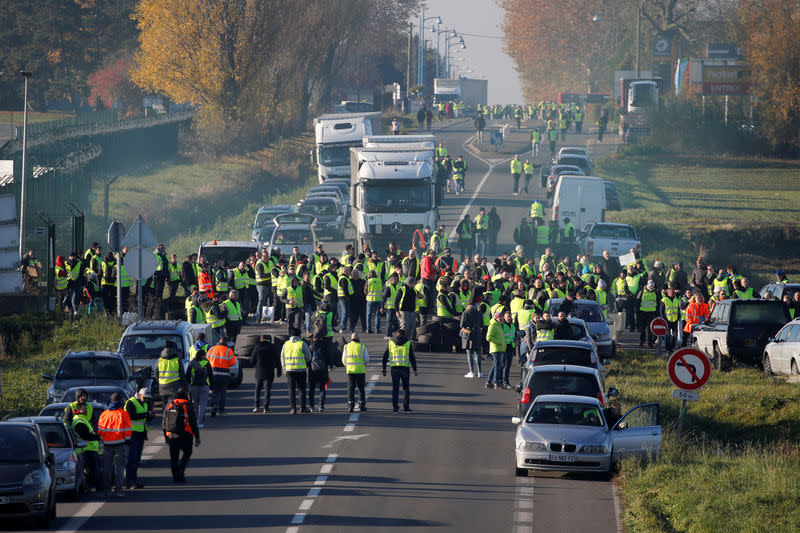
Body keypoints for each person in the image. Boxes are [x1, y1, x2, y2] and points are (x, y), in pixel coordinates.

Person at [97, 392, 132, 498]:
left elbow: (100, 430)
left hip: (107, 445)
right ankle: (118, 490)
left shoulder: (104, 414)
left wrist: (105, 439)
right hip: (120, 444)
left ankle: (107, 490)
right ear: (120, 401)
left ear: (111, 401)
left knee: (107, 468)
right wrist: (127, 440)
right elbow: (128, 430)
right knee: (119, 469)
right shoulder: (123, 413)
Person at [65, 388, 101, 492]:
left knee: (92, 467)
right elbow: (67, 422)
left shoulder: (89, 406)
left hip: (89, 443)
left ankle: (89, 485)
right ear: (77, 397)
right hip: (81, 444)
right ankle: (90, 486)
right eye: (81, 395)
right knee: (90, 468)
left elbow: (94, 421)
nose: (83, 397)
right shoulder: (71, 407)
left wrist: (92, 428)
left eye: (85, 395)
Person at [162, 388, 200, 483]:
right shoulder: (188, 405)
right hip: (186, 435)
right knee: (187, 453)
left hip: (172, 435)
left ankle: (175, 476)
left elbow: (163, 423)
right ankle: (181, 470)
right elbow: (193, 422)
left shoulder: (169, 405)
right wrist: (197, 437)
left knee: (174, 457)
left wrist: (166, 437)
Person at [382, 329, 418, 413]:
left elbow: (385, 356)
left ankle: (395, 408)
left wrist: (383, 368)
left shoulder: (390, 343)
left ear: (396, 335)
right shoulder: (408, 343)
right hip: (405, 369)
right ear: (404, 335)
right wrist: (415, 369)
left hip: (394, 369)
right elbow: (412, 357)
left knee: (395, 389)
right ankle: (406, 407)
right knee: (406, 388)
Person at [124, 388, 153, 490]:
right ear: (140, 395)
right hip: (131, 435)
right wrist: (146, 414)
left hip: (140, 435)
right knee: (131, 460)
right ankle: (130, 481)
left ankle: (134, 480)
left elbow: (143, 419)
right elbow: (131, 416)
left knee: (136, 460)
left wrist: (150, 416)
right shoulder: (130, 402)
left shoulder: (144, 404)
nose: (146, 400)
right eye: (145, 398)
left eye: (148, 398)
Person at [281, 327, 311, 414]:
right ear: (299, 335)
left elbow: (282, 358)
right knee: (302, 389)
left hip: (289, 370)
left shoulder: (285, 344)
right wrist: (305, 362)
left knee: (291, 389)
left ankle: (293, 408)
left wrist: (284, 370)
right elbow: (308, 357)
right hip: (301, 370)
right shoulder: (302, 344)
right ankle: (303, 407)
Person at [208, 336, 237, 417]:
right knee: (222, 393)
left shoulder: (212, 349)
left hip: (213, 374)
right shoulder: (228, 350)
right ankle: (221, 411)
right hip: (224, 375)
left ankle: (213, 406)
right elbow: (233, 363)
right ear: (226, 343)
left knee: (214, 392)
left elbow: (207, 360)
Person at [252, 335, 281, 412]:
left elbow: (252, 360)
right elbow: (277, 359)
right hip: (269, 372)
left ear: (261, 339)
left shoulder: (257, 347)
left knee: (257, 389)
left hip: (259, 372)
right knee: (267, 390)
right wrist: (279, 370)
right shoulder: (272, 347)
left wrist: (256, 364)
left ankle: (256, 407)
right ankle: (266, 407)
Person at [342, 332, 369, 413]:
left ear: (351, 338)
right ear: (358, 338)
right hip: (360, 370)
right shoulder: (362, 346)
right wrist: (362, 364)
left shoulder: (346, 346)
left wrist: (348, 366)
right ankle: (362, 405)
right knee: (361, 389)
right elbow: (366, 359)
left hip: (350, 371)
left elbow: (343, 360)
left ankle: (351, 405)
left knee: (351, 389)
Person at [155, 341, 187, 405]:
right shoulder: (177, 360)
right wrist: (184, 385)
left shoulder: (159, 360)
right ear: (174, 349)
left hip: (162, 386)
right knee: (175, 404)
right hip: (175, 386)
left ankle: (164, 414)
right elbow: (182, 374)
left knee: (164, 403)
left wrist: (158, 381)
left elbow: (156, 373)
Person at [187, 345, 211, 427]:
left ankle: (195, 421)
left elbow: (187, 375)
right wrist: (211, 387)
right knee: (203, 405)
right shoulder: (206, 363)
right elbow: (211, 375)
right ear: (203, 355)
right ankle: (200, 423)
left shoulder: (191, 363)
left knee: (195, 405)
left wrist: (188, 386)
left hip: (194, 386)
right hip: (204, 386)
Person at [308, 335, 332, 412]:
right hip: (323, 370)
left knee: (312, 389)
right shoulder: (325, 346)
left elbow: (308, 358)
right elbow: (329, 358)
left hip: (312, 370)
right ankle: (321, 406)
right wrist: (331, 365)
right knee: (322, 388)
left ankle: (311, 406)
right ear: (320, 338)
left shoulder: (310, 347)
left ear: (313, 339)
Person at [460, 301, 484, 378]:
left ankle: (472, 372)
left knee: (469, 352)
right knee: (477, 353)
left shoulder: (465, 313)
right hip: (477, 333)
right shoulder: (479, 313)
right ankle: (480, 372)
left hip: (468, 334)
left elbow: (461, 325)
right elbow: (482, 324)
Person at [485, 312, 507, 389]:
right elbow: (488, 337)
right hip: (496, 348)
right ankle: (496, 383)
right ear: (496, 317)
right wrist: (499, 342)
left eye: (502, 317)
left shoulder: (499, 325)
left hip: (500, 348)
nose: (501, 318)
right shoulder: (493, 325)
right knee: (497, 366)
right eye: (499, 317)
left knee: (495, 366)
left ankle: (488, 382)